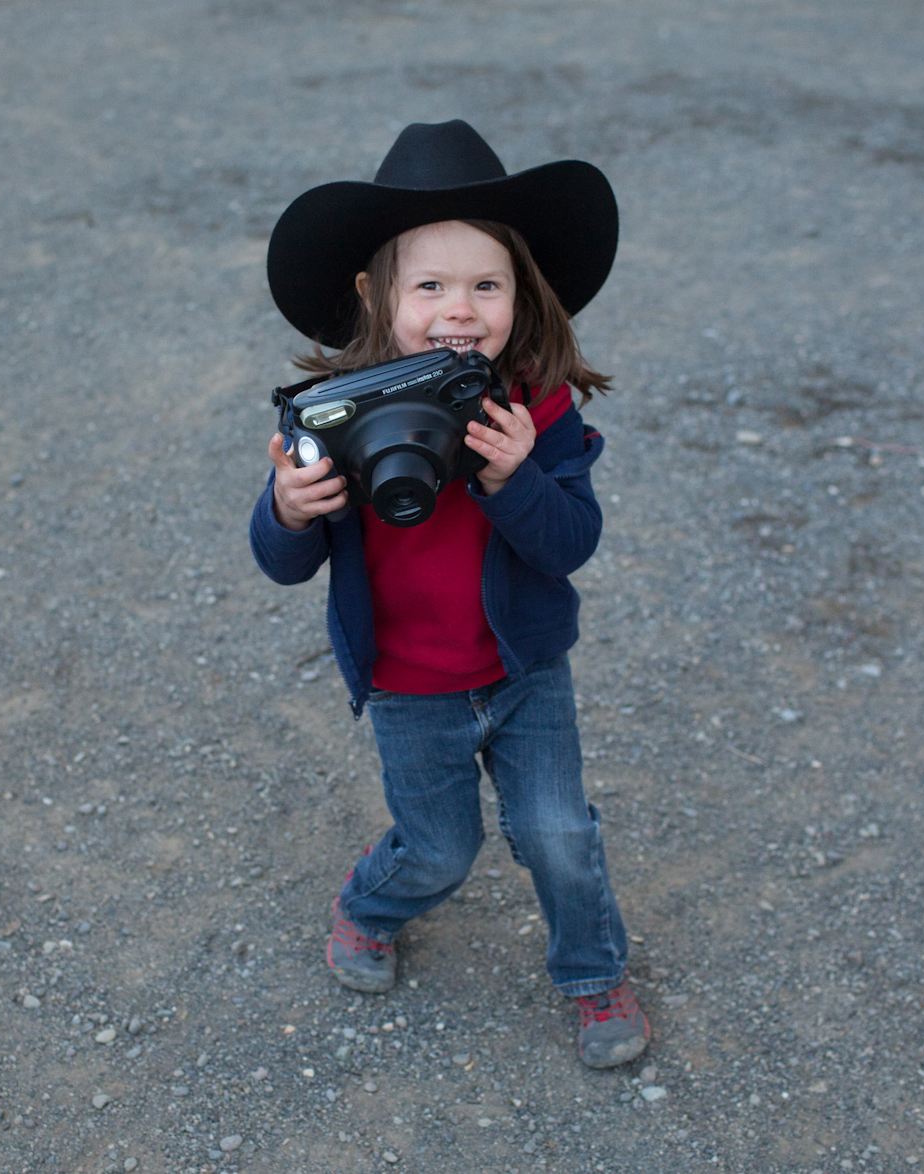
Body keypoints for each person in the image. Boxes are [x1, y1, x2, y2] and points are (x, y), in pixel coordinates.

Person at [248, 120, 648, 1068]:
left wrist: (518, 480)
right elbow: (281, 562)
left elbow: (571, 546)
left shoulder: (533, 409)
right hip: (409, 688)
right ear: (374, 294)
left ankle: (593, 977)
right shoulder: (337, 419)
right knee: (440, 851)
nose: (458, 308)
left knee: (556, 832)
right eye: (429, 285)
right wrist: (288, 508)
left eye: (485, 284)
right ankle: (367, 905)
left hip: (524, 673)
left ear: (522, 293)